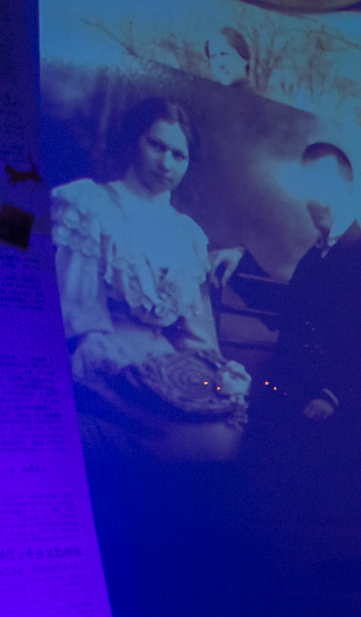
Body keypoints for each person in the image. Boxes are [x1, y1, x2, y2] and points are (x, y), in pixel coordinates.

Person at [52, 96, 249, 459]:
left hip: (166, 368)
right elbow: (80, 312)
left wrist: (214, 373)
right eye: (156, 146)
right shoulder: (92, 205)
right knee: (184, 439)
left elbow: (195, 335)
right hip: (106, 356)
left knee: (226, 427)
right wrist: (114, 363)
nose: (166, 164)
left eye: (179, 155)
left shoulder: (187, 234)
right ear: (134, 141)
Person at [267, 142, 361, 447]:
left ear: (349, 191)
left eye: (324, 186)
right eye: (308, 188)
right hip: (297, 401)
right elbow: (287, 316)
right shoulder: (311, 260)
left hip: (344, 416)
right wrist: (240, 263)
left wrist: (332, 395)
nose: (315, 200)